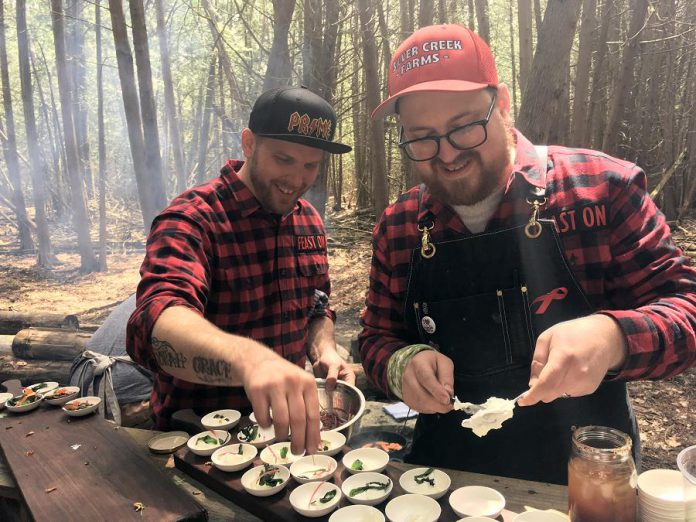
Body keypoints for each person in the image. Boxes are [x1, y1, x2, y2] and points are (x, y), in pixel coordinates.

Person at [359, 24, 696, 484]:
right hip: (443, 478)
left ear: (501, 104)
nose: (447, 154)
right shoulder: (399, 226)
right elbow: (376, 339)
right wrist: (399, 365)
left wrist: (612, 336)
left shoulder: (600, 190)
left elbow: (686, 311)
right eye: (422, 137)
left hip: (585, 475)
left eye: (463, 128)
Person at [127, 86, 355, 455]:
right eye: (283, 159)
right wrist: (252, 361)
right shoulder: (192, 218)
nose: (297, 180)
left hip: (289, 438)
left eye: (310, 165)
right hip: (198, 446)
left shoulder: (309, 221)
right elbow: (156, 323)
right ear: (248, 143)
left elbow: (317, 305)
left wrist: (324, 349)